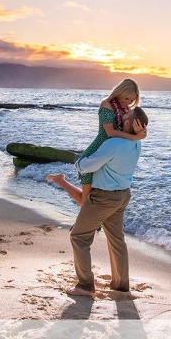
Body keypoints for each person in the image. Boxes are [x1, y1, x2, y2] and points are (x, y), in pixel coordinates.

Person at [65, 106, 149, 297]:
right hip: (123, 195)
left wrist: (78, 163)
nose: (120, 117)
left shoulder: (114, 144)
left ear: (130, 123)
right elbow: (138, 135)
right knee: (116, 240)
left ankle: (85, 286)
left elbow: (87, 166)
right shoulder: (137, 143)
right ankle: (121, 286)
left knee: (79, 237)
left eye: (125, 116)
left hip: (104, 197)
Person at [47, 79, 146, 205]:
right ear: (120, 92)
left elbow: (137, 127)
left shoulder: (127, 111)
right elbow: (110, 132)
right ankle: (60, 181)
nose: (127, 103)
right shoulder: (106, 104)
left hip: (111, 154)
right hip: (98, 149)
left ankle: (99, 222)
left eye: (131, 101)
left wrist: (142, 133)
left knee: (95, 199)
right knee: (85, 201)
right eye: (126, 98)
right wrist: (135, 137)